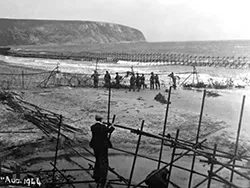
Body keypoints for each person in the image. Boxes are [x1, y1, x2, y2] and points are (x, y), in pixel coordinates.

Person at [89, 115, 115, 188]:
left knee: (97, 159)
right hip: (102, 146)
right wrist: (112, 126)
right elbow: (110, 131)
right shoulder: (102, 127)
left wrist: (105, 125)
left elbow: (103, 130)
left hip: (95, 145)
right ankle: (103, 178)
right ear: (101, 120)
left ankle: (96, 175)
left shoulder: (93, 127)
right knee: (103, 161)